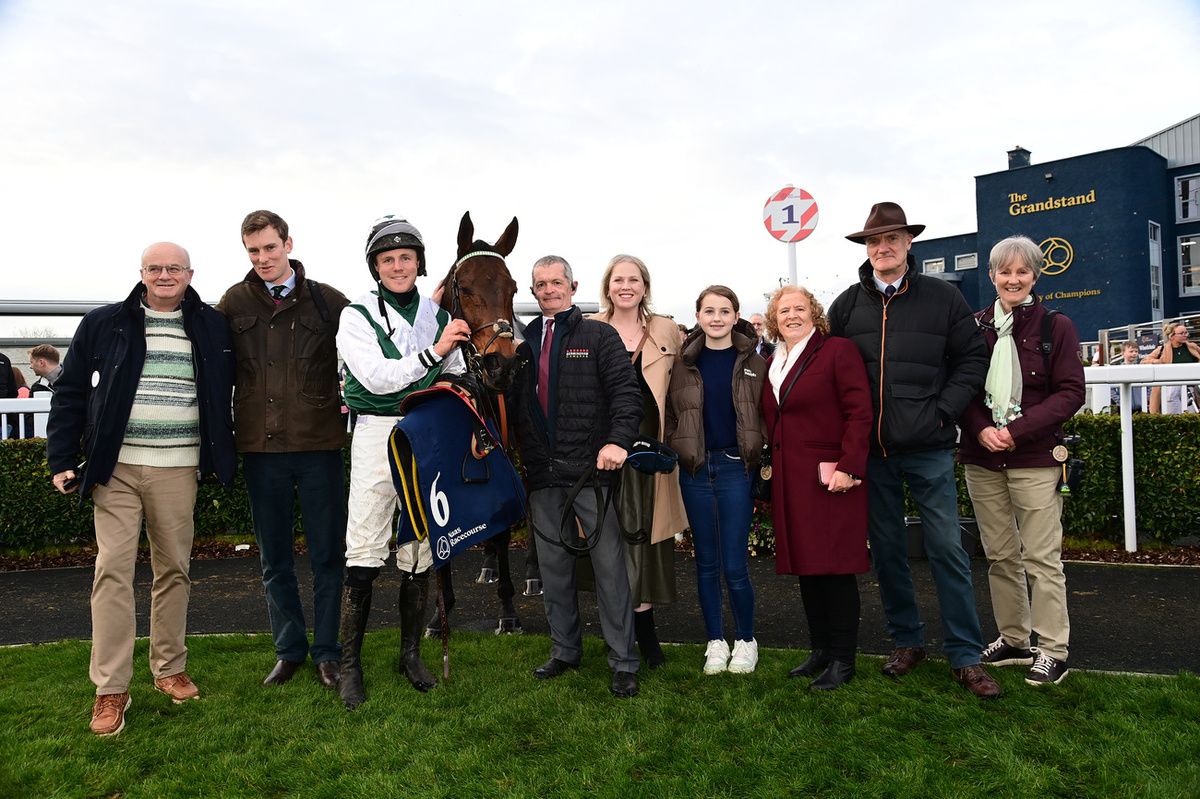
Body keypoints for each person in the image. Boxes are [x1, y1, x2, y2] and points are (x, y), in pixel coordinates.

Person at [46, 242, 235, 736]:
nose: (165, 275)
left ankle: (169, 669)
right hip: (117, 468)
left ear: (190, 274)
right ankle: (110, 688)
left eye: (174, 268)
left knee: (174, 568)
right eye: (156, 268)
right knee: (112, 571)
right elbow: (68, 392)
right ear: (142, 273)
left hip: (179, 467)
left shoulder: (213, 326)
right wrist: (61, 458)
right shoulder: (105, 322)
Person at [828, 201, 1000, 699]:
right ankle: (907, 641)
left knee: (947, 547)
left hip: (928, 447)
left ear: (909, 245)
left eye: (892, 239)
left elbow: (971, 360)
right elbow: (831, 375)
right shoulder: (844, 306)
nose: (882, 248)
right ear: (867, 248)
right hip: (873, 455)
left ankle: (966, 655)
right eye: (874, 241)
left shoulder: (943, 298)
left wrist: (942, 412)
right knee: (887, 553)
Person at [333, 216, 469, 709]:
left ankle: (410, 654)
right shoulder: (356, 314)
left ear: (419, 263)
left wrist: (451, 370)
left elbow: (454, 372)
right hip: (377, 433)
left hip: (427, 433)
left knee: (420, 548)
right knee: (365, 549)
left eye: (405, 258)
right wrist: (434, 355)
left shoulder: (435, 315)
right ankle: (350, 665)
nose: (397, 266)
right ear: (375, 266)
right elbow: (374, 378)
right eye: (387, 259)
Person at [216, 210, 351, 689]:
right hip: (259, 449)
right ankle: (289, 649)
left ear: (288, 244)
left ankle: (328, 652)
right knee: (274, 558)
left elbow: (369, 347)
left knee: (327, 556)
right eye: (253, 251)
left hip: (318, 447)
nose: (263, 259)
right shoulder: (232, 301)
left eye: (270, 248)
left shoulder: (328, 300)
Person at [508, 255, 643, 698]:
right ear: (534, 292)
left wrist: (618, 441)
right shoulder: (524, 345)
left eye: (556, 282)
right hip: (543, 474)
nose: (549, 290)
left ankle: (624, 661)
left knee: (609, 569)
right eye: (540, 284)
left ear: (573, 285)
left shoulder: (598, 335)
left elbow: (627, 394)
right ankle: (565, 651)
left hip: (591, 473)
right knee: (554, 570)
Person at [958, 235, 1086, 687]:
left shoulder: (1056, 327)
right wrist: (980, 430)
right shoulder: (973, 326)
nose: (1013, 279)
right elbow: (964, 389)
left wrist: (1015, 431)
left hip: (1034, 458)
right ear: (991, 276)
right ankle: (1014, 639)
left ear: (1035, 275)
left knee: (1042, 558)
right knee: (999, 556)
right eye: (1004, 272)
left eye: (1022, 272)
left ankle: (1053, 650)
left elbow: (1071, 392)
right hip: (982, 458)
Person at [760, 285, 872, 690]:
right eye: (783, 309)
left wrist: (850, 466)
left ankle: (844, 659)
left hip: (832, 477)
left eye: (799, 308)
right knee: (809, 568)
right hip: (792, 479)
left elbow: (859, 412)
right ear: (774, 318)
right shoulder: (774, 359)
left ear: (814, 313)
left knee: (836, 568)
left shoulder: (837, 351)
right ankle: (821, 649)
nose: (791, 315)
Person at [589, 254, 687, 669]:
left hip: (650, 458)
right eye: (618, 280)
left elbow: (686, 385)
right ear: (607, 286)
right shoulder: (590, 328)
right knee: (607, 543)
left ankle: (645, 637)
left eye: (634, 279)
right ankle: (616, 634)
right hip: (604, 453)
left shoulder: (666, 329)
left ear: (645, 286)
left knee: (645, 545)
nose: (625, 286)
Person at [665, 286, 765, 675]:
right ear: (699, 316)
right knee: (705, 562)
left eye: (725, 310)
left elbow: (765, 412)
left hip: (735, 469)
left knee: (735, 563)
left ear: (736, 315)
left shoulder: (754, 361)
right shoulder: (683, 363)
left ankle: (745, 639)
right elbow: (672, 414)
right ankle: (715, 641)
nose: (717, 317)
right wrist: (678, 446)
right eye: (709, 311)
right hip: (696, 471)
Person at [1146, 322, 1200, 414]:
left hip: (1191, 387)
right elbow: (1145, 361)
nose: (1185, 335)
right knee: (1173, 412)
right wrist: (1158, 362)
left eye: (1186, 332)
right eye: (1181, 333)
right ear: (1172, 336)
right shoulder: (1162, 349)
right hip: (1171, 388)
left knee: (1191, 415)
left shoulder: (1192, 347)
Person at [1109, 341, 1144, 412]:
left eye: (1136, 351)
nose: (1134, 353)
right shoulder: (1118, 370)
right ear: (1123, 353)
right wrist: (1119, 401)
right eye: (1131, 351)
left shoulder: (1141, 369)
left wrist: (1145, 399)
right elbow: (1111, 388)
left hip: (1140, 406)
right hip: (1123, 406)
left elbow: (1149, 387)